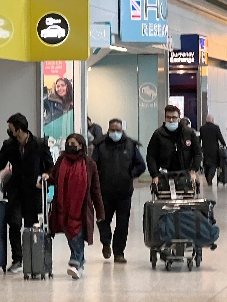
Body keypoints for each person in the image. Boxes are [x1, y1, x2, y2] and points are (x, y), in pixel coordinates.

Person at [0, 113, 54, 274]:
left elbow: (50, 165)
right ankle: (17, 259)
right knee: (14, 223)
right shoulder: (9, 145)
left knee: (32, 226)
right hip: (15, 190)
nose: (9, 131)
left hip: (34, 190)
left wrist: (47, 174)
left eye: (11, 128)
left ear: (19, 130)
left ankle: (33, 258)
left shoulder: (39, 144)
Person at [42, 134, 104, 280]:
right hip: (63, 206)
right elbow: (54, 177)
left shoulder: (89, 164)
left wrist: (100, 212)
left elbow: (95, 189)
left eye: (73, 143)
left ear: (81, 146)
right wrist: (46, 179)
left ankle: (76, 262)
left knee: (77, 234)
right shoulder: (61, 161)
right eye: (68, 143)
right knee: (71, 234)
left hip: (81, 208)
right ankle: (79, 262)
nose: (70, 145)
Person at [92, 119, 146, 263]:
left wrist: (131, 174)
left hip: (124, 192)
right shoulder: (100, 145)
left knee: (122, 224)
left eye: (118, 130)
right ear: (108, 130)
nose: (115, 133)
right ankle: (106, 242)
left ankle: (119, 252)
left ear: (122, 130)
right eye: (112, 130)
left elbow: (141, 165)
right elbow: (93, 165)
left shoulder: (130, 145)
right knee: (103, 221)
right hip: (104, 192)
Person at [146, 105, 202, 185]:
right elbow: (151, 156)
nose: (171, 120)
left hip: (185, 175)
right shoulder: (158, 134)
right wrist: (154, 175)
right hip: (164, 175)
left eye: (174, 117)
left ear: (179, 118)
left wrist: (193, 171)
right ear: (165, 118)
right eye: (168, 117)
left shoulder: (189, 133)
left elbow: (197, 153)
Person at [199, 115, 226, 186]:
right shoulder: (216, 128)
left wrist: (199, 147)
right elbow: (220, 138)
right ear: (212, 120)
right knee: (213, 165)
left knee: (206, 164)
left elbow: (199, 139)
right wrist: (224, 144)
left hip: (205, 149)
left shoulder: (202, 128)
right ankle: (210, 176)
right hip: (214, 150)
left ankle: (208, 178)